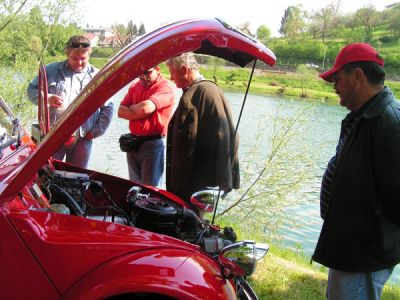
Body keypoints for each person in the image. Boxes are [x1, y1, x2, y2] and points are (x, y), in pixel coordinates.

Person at [312, 43, 400, 299]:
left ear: (358, 77)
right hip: (350, 249)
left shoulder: (389, 122)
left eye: (337, 79)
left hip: (363, 256)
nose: (335, 87)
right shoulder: (366, 115)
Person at [27, 35, 114, 168]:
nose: (79, 62)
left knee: (77, 176)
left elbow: (108, 106)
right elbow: (31, 90)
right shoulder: (50, 70)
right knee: (48, 171)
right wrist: (47, 98)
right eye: (74, 58)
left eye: (83, 59)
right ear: (67, 53)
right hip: (53, 135)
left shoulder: (97, 77)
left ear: (89, 54)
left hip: (83, 137)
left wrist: (95, 131)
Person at [165, 52, 240, 204]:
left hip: (195, 183)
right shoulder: (210, 90)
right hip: (202, 180)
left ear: (185, 70)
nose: (171, 78)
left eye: (172, 73)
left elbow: (188, 141)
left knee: (192, 222)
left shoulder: (198, 93)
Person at [117, 66, 175, 186]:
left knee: (150, 191)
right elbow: (120, 111)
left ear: (157, 69)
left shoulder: (165, 86)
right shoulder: (135, 85)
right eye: (140, 73)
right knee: (133, 188)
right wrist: (137, 111)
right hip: (132, 142)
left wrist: (132, 108)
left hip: (152, 144)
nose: (143, 76)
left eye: (147, 72)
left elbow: (145, 108)